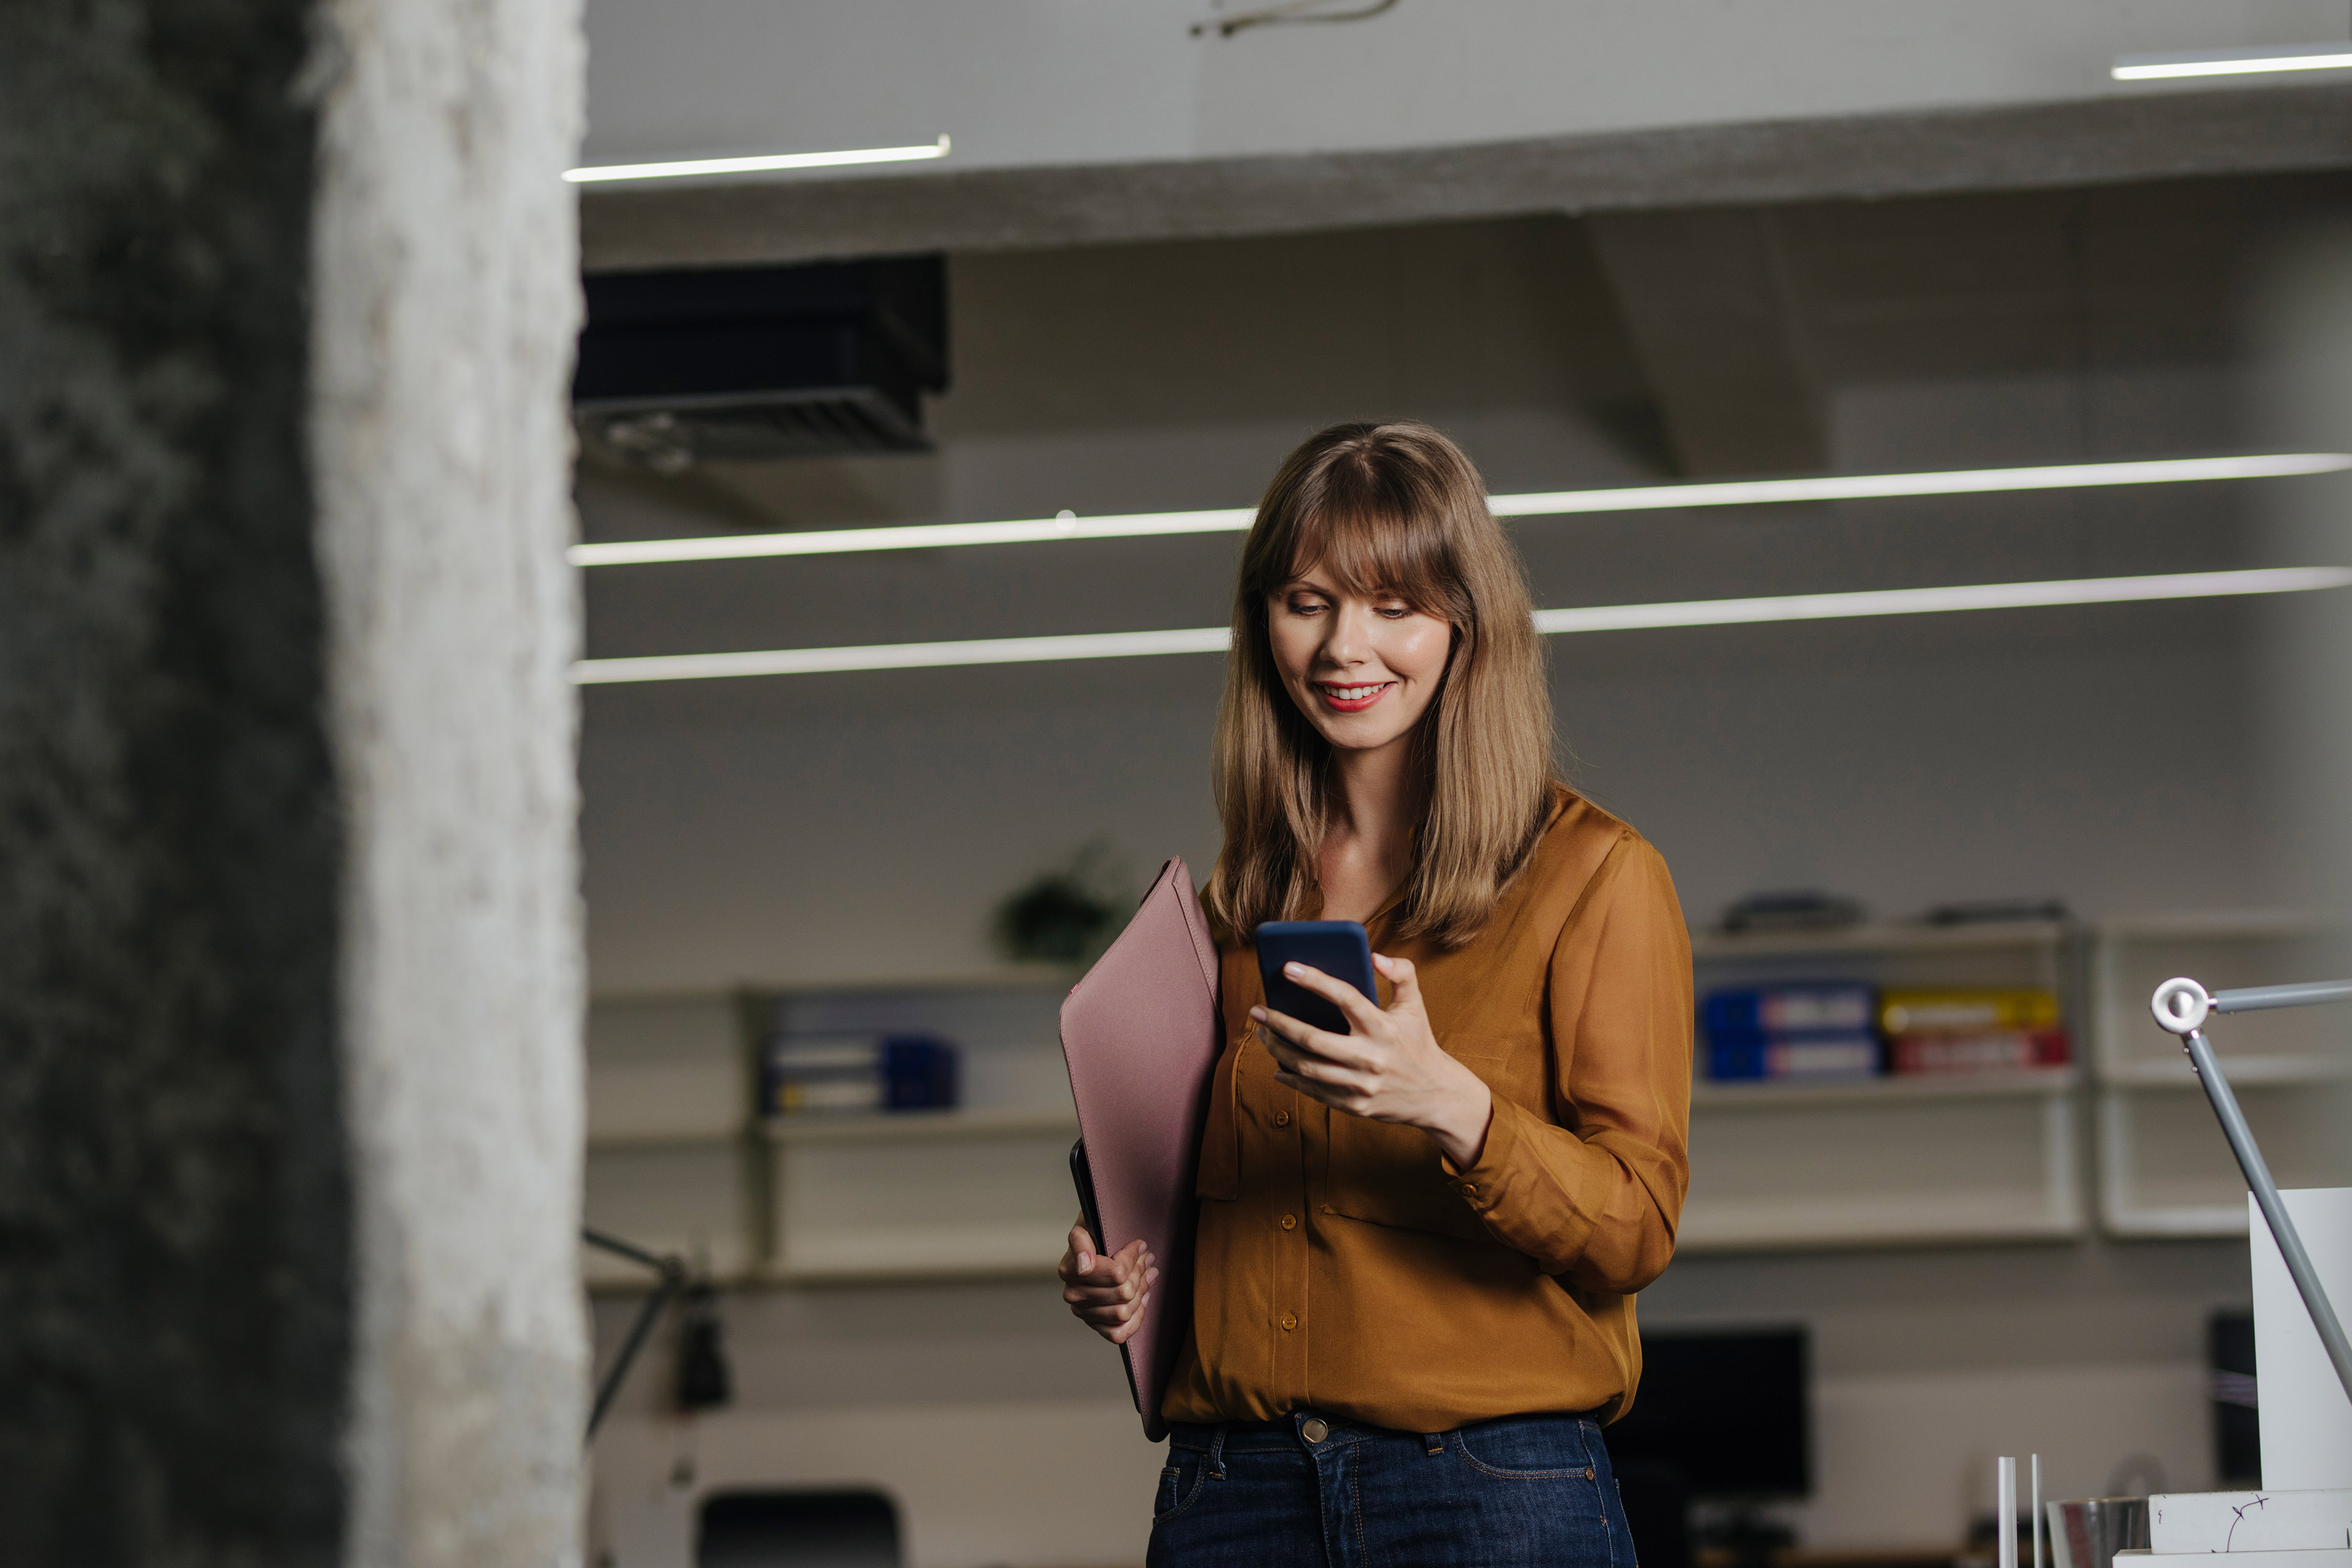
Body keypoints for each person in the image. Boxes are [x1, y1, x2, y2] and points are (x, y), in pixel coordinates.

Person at [1057, 420, 1694, 1568]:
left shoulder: (1593, 876)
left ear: (1465, 623)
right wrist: (1125, 1268)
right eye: (1308, 602)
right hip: (1232, 1489)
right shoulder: (1239, 898)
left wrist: (1450, 1103)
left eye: (1394, 605)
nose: (1347, 646)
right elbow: (1204, 1182)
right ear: (1263, 623)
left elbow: (1637, 1228)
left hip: (1488, 1493)